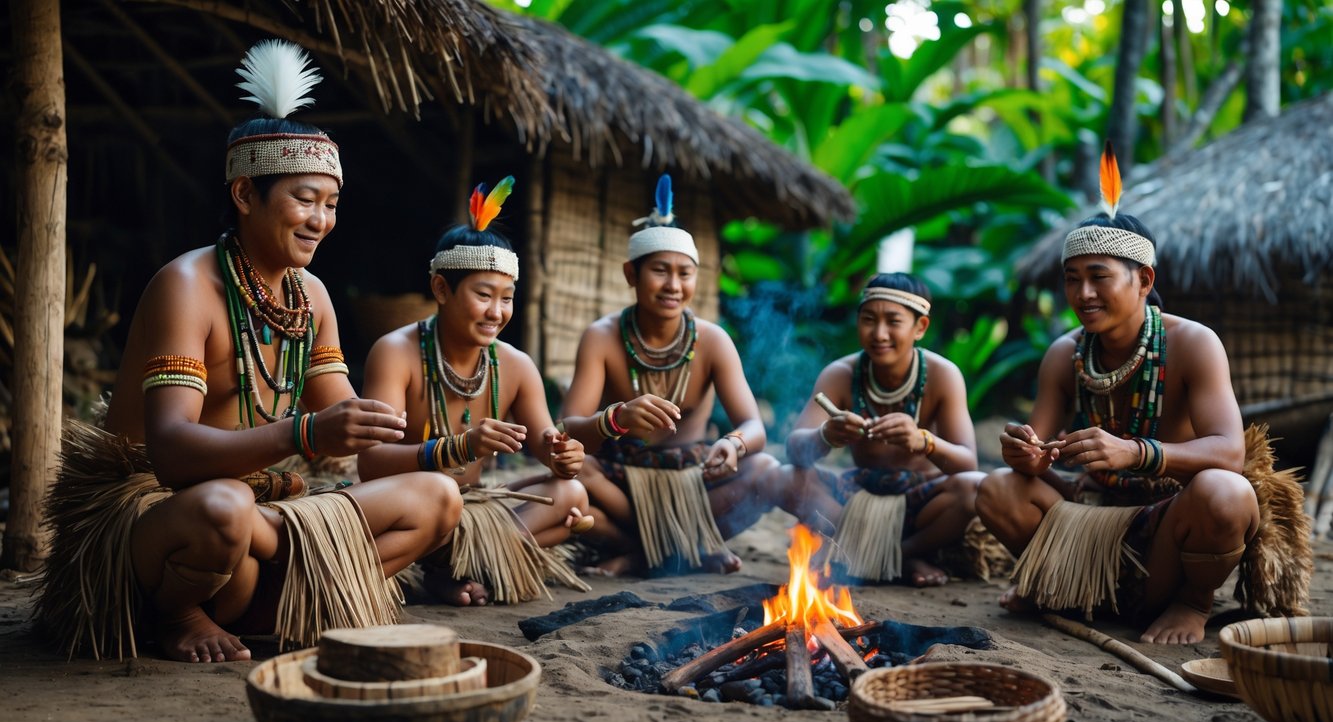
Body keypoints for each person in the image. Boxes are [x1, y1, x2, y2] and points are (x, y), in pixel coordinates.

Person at [35, 41, 460, 663]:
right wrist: (311, 432)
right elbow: (174, 455)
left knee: (437, 498)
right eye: (304, 199)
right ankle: (180, 614)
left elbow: (351, 436)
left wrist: (450, 447)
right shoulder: (186, 286)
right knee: (222, 507)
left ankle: (290, 597)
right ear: (244, 195)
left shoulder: (311, 296)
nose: (321, 219)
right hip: (166, 521)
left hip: (266, 522)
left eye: (332, 203)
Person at [976, 143, 1311, 644]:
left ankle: (1189, 602)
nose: (1083, 294)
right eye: (1072, 279)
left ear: (1143, 279)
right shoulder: (1064, 354)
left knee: (1227, 493)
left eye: (1099, 277)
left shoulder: (1193, 344)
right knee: (996, 488)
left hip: (1166, 531)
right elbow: (1034, 457)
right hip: (1086, 515)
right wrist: (1023, 452)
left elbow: (1230, 451)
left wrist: (1135, 453)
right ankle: (1056, 579)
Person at [358, 176, 592, 606]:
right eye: (484, 295)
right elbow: (371, 464)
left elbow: (546, 443)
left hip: (474, 513)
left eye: (507, 298)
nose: (497, 312)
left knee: (572, 496)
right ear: (441, 289)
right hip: (412, 511)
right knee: (445, 504)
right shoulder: (395, 352)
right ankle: (459, 567)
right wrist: (456, 448)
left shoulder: (516, 365)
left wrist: (563, 456)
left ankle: (452, 568)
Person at [558, 175, 781, 576]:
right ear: (632, 274)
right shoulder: (602, 337)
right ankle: (681, 552)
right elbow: (569, 432)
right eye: (660, 271)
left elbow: (753, 425)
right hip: (620, 483)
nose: (673, 285)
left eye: (685, 273)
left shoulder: (712, 341)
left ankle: (640, 556)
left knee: (766, 471)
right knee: (572, 472)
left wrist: (733, 444)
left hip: (694, 483)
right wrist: (617, 418)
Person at [780, 273, 984, 587]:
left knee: (975, 488)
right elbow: (794, 450)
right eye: (868, 319)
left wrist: (923, 441)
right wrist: (826, 435)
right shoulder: (841, 374)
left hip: (920, 508)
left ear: (920, 327)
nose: (879, 333)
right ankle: (867, 554)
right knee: (777, 476)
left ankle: (900, 556)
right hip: (853, 503)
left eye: (893, 321)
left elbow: (967, 463)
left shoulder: (943, 375)